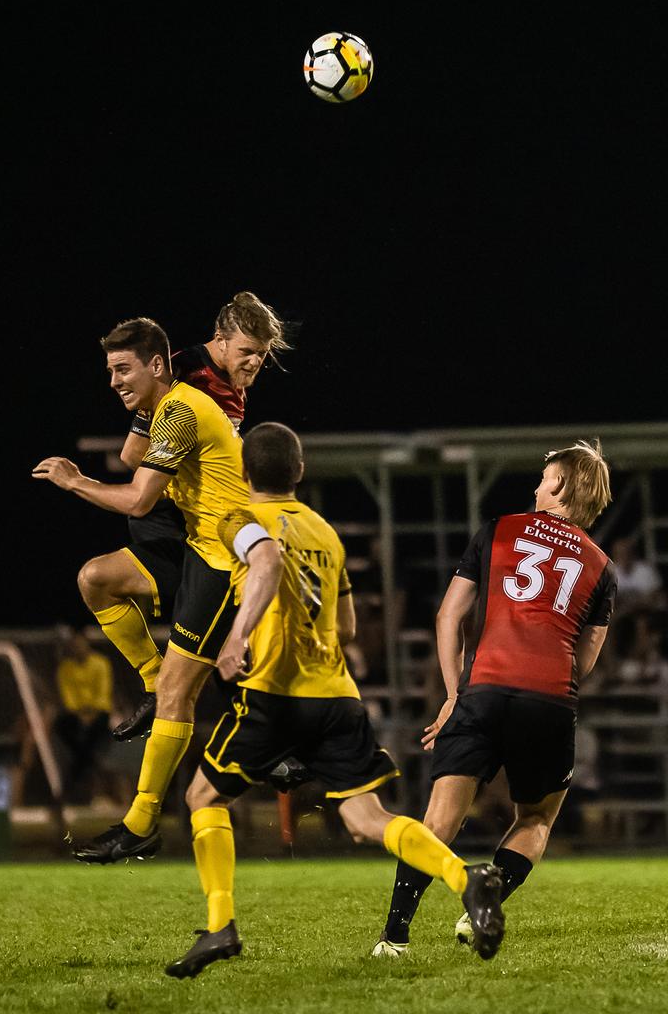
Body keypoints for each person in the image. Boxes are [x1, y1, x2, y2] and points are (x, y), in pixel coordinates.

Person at [165, 423, 505, 979]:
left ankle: (221, 924)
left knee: (204, 796)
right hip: (336, 696)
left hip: (274, 690)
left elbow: (267, 566)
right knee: (367, 818)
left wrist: (238, 635)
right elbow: (346, 625)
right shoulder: (325, 532)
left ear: (244, 473)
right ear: (299, 472)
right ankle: (466, 878)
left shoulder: (237, 519)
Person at [32, 314, 270, 862]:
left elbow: (138, 497)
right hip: (201, 548)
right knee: (96, 578)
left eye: (122, 369)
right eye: (110, 370)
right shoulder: (175, 401)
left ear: (158, 366)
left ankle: (143, 822)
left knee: (180, 697)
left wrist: (74, 481)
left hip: (223, 561)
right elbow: (136, 460)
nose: (113, 381)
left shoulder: (182, 407)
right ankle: (157, 679)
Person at [371, 439, 616, 957]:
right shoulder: (601, 566)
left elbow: (448, 617)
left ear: (561, 485)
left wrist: (452, 694)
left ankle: (393, 938)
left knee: (439, 821)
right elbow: (585, 662)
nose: (535, 486)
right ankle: (484, 902)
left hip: (482, 691)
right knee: (535, 819)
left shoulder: (500, 529)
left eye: (543, 477)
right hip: (549, 699)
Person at [109, 291, 292, 741]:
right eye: (248, 352)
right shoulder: (182, 372)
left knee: (224, 636)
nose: (254, 363)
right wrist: (181, 479)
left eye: (262, 355)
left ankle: (256, 739)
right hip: (172, 522)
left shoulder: (231, 385)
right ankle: (263, 740)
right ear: (221, 341)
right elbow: (133, 454)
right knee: (223, 627)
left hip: (193, 522)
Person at [53, 630, 114, 801]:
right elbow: (68, 697)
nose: (77, 647)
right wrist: (80, 714)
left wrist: (92, 713)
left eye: (79, 643)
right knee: (61, 725)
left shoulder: (101, 663)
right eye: (73, 644)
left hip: (99, 714)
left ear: (87, 643)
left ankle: (71, 783)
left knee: (94, 732)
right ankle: (86, 765)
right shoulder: (65, 668)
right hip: (76, 715)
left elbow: (103, 694)